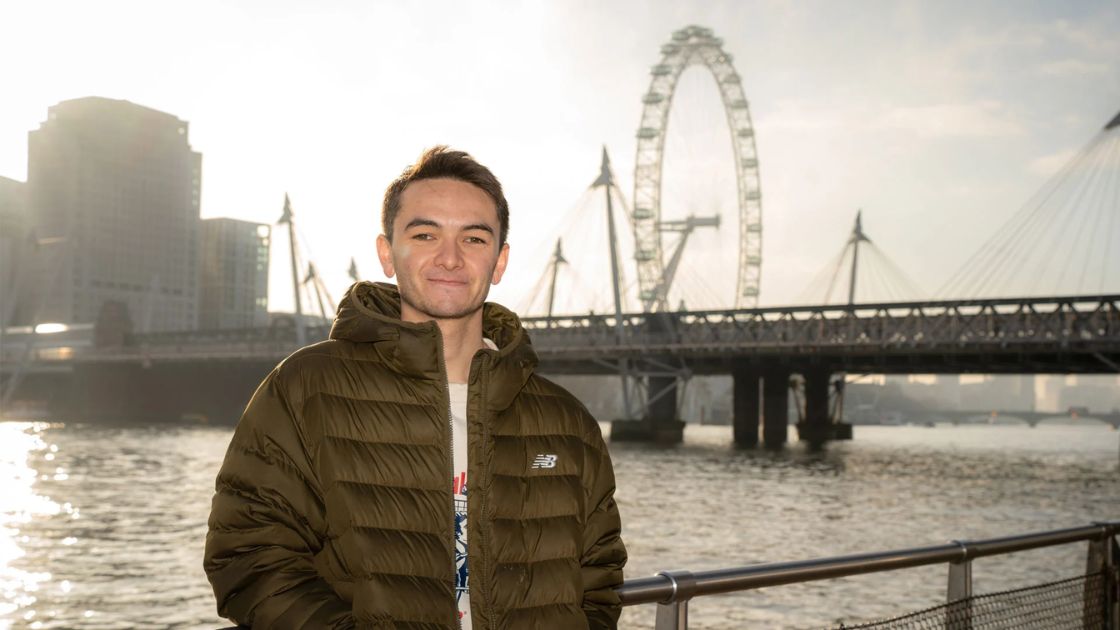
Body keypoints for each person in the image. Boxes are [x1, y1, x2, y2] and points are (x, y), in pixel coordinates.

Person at [204, 146, 627, 629]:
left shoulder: (566, 420)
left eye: (473, 238)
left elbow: (599, 578)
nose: (449, 257)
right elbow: (248, 556)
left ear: (500, 260)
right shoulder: (306, 389)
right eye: (425, 234)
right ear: (387, 252)